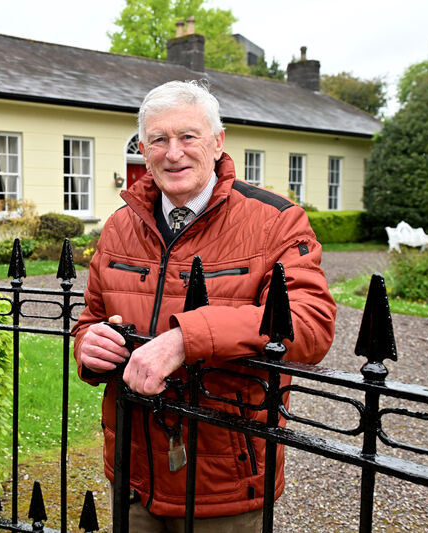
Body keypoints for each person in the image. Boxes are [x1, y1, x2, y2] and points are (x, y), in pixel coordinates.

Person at [72, 80, 336, 532]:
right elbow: (92, 319)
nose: (172, 152)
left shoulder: (275, 221)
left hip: (224, 484)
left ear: (217, 142)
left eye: (188, 136)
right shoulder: (119, 226)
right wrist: (88, 346)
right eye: (158, 139)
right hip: (134, 474)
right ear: (144, 149)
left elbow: (310, 326)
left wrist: (185, 339)